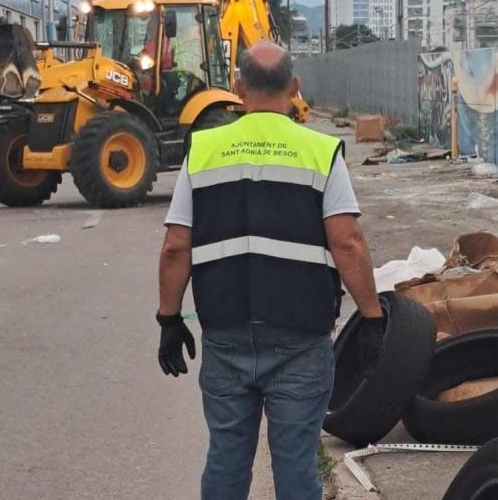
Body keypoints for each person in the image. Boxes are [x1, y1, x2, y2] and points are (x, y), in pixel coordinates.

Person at [156, 42, 385, 500]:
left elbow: (176, 247)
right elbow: (347, 241)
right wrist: (373, 317)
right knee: (297, 460)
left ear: (238, 88)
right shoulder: (320, 151)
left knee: (226, 454)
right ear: (295, 87)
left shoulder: (203, 149)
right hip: (300, 338)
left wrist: (168, 319)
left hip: (226, 334)